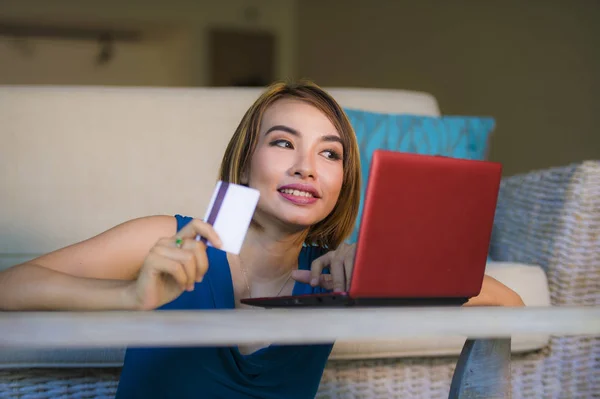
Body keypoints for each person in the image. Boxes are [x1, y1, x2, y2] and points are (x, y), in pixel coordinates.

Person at [0, 81, 524, 398]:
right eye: (282, 143)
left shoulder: (335, 275)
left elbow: (509, 303)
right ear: (246, 160)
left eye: (329, 153)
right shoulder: (172, 239)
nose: (304, 167)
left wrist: (379, 267)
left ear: (343, 182)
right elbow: (9, 287)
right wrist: (127, 297)